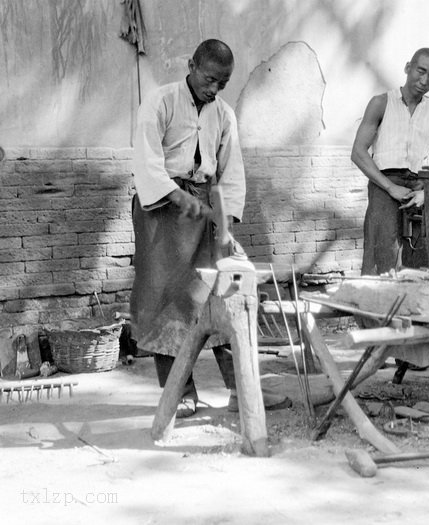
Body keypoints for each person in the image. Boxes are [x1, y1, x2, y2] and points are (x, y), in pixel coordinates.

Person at [131, 39, 290, 418]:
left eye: (223, 82)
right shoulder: (160, 102)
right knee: (166, 299)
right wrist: (176, 196)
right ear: (191, 65)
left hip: (203, 206)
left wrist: (226, 224)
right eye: (209, 79)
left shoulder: (225, 114)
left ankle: (241, 389)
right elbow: (147, 161)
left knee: (223, 294)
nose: (214, 88)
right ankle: (180, 393)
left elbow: (230, 173)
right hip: (162, 209)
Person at [351, 48, 429, 373]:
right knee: (379, 266)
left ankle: (410, 350)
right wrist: (390, 188)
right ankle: (376, 346)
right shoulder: (381, 103)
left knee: (417, 267)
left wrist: (426, 194)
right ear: (407, 68)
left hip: (418, 189)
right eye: (420, 71)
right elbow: (359, 152)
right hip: (384, 184)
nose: (425, 80)